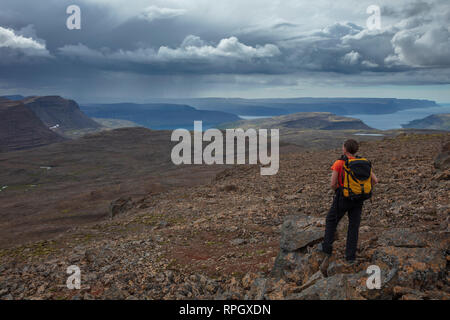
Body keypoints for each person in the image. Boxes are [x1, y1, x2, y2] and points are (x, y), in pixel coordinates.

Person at [319, 139, 378, 264]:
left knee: (331, 220)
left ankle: (326, 249)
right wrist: (362, 190)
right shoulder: (362, 162)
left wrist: (339, 191)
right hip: (359, 198)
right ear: (356, 150)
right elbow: (375, 180)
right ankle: (350, 256)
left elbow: (333, 183)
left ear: (344, 149)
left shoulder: (339, 163)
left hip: (343, 197)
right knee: (353, 226)